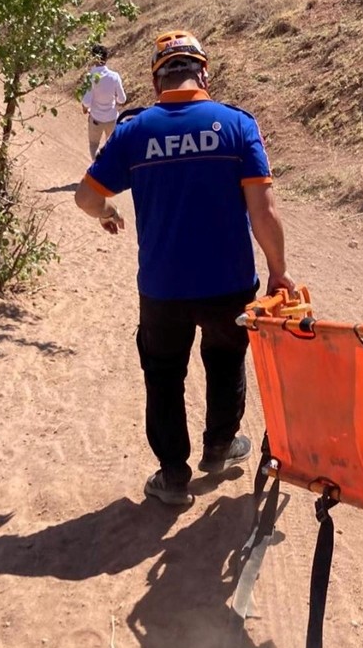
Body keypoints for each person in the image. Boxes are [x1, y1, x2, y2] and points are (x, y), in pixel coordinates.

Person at [75, 29, 295, 506]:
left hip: (163, 287)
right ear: (204, 75)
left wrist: (108, 212)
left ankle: (173, 476)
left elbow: (86, 197)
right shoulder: (237, 125)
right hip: (230, 282)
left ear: (158, 83)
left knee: (163, 374)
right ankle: (219, 447)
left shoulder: (134, 132)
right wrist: (278, 270)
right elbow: (264, 211)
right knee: (225, 360)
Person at [81, 45, 127, 161]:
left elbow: (86, 102)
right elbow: (122, 99)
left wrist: (85, 108)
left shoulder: (90, 77)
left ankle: (97, 167)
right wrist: (115, 100)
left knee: (94, 145)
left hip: (96, 118)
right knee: (113, 146)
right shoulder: (114, 76)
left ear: (93, 58)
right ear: (106, 58)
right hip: (112, 118)